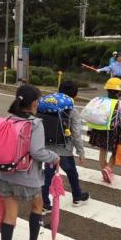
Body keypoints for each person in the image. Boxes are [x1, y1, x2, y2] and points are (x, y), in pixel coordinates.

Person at [0, 84, 59, 240]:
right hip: (27, 177)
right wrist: (54, 157)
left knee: (10, 214)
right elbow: (37, 152)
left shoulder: (8, 119)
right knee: (38, 205)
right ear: (34, 104)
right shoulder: (35, 124)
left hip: (5, 174)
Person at [42, 81, 89, 214]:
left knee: (47, 176)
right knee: (72, 173)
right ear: (74, 96)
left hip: (48, 149)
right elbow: (76, 134)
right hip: (64, 150)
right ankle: (77, 197)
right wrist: (81, 152)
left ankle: (45, 204)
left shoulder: (46, 107)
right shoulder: (72, 111)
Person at [88, 78, 121, 184]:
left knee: (103, 151)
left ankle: (104, 173)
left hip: (99, 129)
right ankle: (108, 168)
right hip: (114, 131)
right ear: (119, 91)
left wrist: (90, 129)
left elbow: (92, 116)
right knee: (116, 152)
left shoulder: (99, 100)